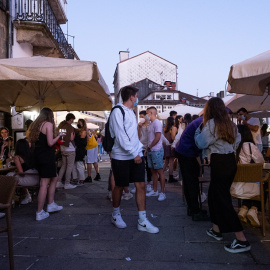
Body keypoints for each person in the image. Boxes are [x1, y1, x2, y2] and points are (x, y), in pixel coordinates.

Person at [195, 97, 250, 254]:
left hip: (219, 161)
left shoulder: (212, 124)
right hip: (230, 161)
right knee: (214, 195)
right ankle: (216, 229)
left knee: (222, 199)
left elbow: (201, 143)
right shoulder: (230, 124)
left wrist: (198, 131)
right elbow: (237, 141)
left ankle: (242, 240)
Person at [109, 86, 158, 233]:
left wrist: (139, 151)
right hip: (121, 156)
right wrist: (133, 153)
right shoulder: (117, 111)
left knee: (141, 185)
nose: (137, 99)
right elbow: (120, 136)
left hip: (135, 154)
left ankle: (142, 220)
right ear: (131, 97)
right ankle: (115, 214)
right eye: (136, 96)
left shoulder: (131, 112)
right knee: (119, 185)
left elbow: (133, 136)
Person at [28, 107, 63, 221]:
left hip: (38, 156)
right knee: (44, 183)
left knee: (55, 177)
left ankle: (51, 203)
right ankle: (39, 212)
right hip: (46, 156)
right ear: (50, 115)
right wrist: (59, 135)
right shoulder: (48, 124)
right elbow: (50, 143)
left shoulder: (36, 125)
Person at [175, 116, 209, 221]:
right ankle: (195, 211)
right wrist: (200, 164)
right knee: (192, 183)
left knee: (189, 182)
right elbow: (199, 144)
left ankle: (192, 209)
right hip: (187, 153)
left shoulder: (201, 121)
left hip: (184, 152)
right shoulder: (202, 123)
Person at [234, 125, 265, 227]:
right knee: (263, 182)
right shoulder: (250, 146)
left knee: (250, 182)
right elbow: (261, 162)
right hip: (252, 188)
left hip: (236, 187)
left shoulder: (233, 146)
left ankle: (244, 208)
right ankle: (254, 208)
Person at [7, 138, 39, 204]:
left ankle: (10, 199)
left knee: (8, 176)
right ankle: (27, 196)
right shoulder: (32, 154)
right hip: (37, 177)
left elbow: (21, 173)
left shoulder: (17, 157)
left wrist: (16, 172)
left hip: (29, 179)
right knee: (15, 177)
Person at [145, 106, 166, 201]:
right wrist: (147, 149)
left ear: (151, 113)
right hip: (151, 150)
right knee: (153, 171)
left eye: (147, 113)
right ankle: (155, 190)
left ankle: (162, 192)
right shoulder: (150, 123)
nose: (146, 115)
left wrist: (149, 147)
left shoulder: (157, 123)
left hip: (156, 150)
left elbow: (157, 137)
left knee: (159, 171)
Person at [56, 113, 77, 189]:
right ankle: (67, 183)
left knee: (63, 165)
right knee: (69, 166)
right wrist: (74, 135)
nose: (73, 121)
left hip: (62, 148)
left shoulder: (61, 125)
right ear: (71, 119)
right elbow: (71, 139)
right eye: (73, 120)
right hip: (70, 148)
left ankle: (58, 182)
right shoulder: (70, 127)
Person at [135, 110, 152, 193]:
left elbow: (151, 137)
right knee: (139, 167)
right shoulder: (140, 125)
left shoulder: (150, 125)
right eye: (140, 117)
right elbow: (138, 137)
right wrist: (139, 127)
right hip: (141, 148)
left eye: (143, 116)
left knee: (149, 167)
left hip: (148, 147)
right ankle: (138, 184)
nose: (142, 118)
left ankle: (149, 183)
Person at [72, 119, 87, 185]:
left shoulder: (83, 131)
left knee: (79, 164)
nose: (78, 124)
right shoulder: (77, 131)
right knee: (74, 164)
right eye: (78, 123)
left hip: (80, 150)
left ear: (83, 124)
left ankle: (81, 179)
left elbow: (81, 141)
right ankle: (75, 178)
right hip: (76, 149)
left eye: (79, 123)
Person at [163, 116, 178, 183]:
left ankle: (160, 176)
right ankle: (171, 177)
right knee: (171, 162)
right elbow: (173, 137)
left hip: (166, 145)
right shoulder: (173, 128)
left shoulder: (165, 129)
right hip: (171, 145)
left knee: (166, 162)